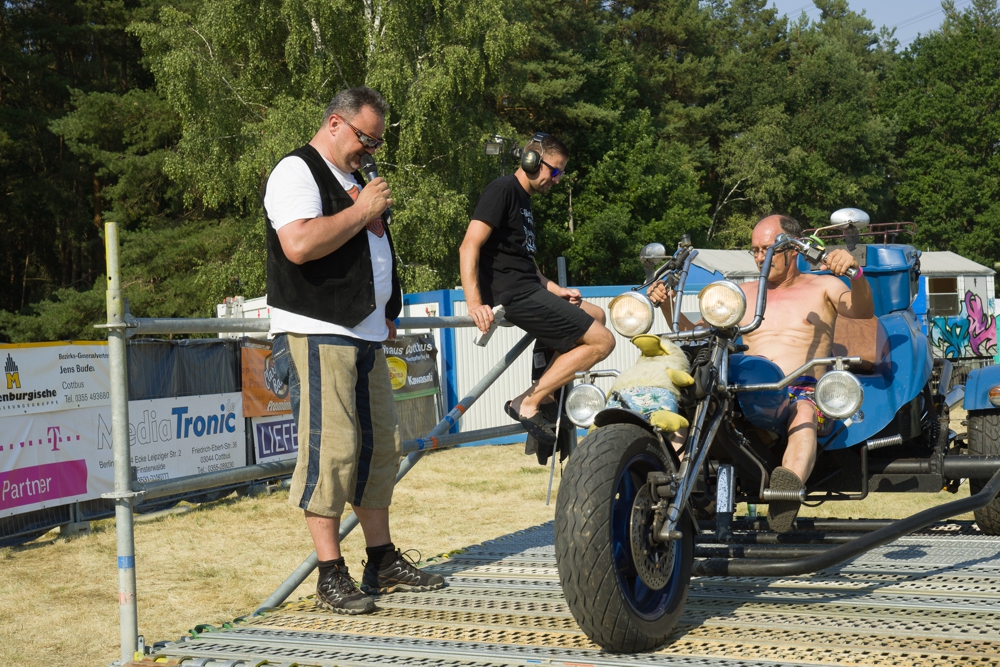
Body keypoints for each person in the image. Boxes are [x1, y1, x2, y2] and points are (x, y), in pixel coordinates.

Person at [263, 86, 444, 615]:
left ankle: (381, 559)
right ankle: (329, 574)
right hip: (317, 331)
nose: (371, 150)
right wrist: (362, 210)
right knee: (332, 451)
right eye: (366, 138)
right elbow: (299, 244)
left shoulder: (354, 180)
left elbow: (367, 252)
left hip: (363, 333)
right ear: (335, 123)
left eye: (377, 142)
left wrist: (385, 309)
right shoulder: (296, 171)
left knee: (380, 449)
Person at [648, 214, 874, 532]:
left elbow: (862, 311)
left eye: (767, 249)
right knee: (686, 403)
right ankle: (675, 486)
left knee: (805, 411)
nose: (759, 257)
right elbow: (697, 336)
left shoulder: (824, 286)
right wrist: (668, 305)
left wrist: (856, 274)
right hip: (743, 390)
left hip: (800, 389)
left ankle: (786, 492)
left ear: (793, 248)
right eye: (754, 250)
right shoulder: (741, 294)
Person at [459, 134, 616, 444]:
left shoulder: (525, 201)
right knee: (603, 342)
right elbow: (469, 246)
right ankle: (528, 402)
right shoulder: (502, 190)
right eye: (554, 171)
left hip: (529, 287)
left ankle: (546, 394)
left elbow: (526, 263)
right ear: (531, 160)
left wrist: (556, 289)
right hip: (514, 294)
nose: (556, 180)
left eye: (560, 174)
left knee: (597, 315)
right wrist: (475, 304)